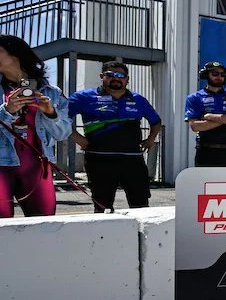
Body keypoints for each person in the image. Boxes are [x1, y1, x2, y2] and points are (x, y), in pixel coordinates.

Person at [69, 61, 161, 212]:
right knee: (102, 206)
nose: (116, 78)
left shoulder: (138, 99)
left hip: (133, 159)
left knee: (141, 204)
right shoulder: (83, 97)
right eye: (110, 75)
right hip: (99, 159)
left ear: (127, 79)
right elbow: (61, 119)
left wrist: (151, 139)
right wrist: (77, 138)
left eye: (120, 75)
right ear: (102, 76)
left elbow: (156, 122)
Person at [0, 35, 72, 217]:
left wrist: (50, 113)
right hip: (1, 166)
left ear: (15, 54)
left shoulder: (51, 92)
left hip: (38, 166)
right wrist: (7, 111)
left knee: (44, 224)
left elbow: (63, 133)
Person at [185, 61, 226, 167]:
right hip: (206, 152)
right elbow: (195, 126)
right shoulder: (194, 98)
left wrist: (210, 117)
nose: (219, 77)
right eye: (215, 74)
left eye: (222, 74)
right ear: (206, 75)